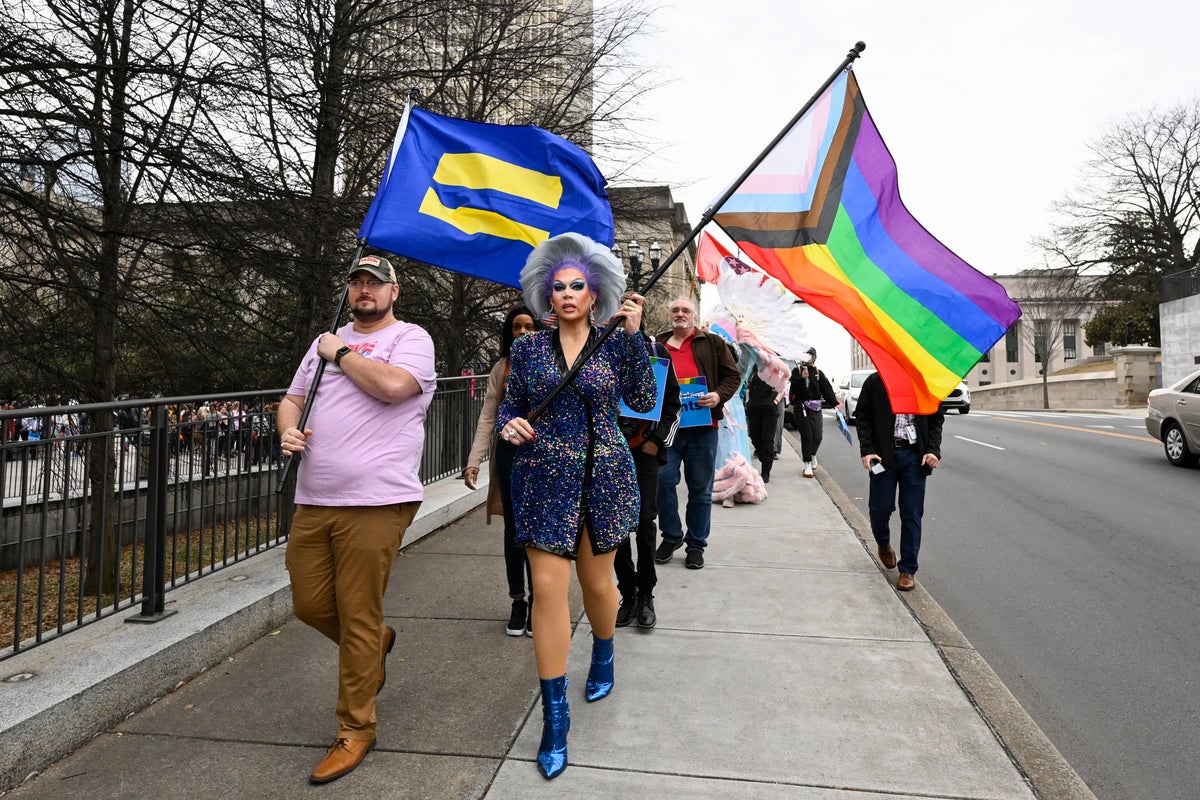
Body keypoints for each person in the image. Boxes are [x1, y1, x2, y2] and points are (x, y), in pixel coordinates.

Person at [497, 232, 656, 779]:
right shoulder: (527, 347)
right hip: (543, 478)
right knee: (547, 590)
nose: (567, 294)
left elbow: (642, 400)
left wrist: (636, 338)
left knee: (598, 587)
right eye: (558, 286)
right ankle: (555, 717)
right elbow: (511, 405)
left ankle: (605, 651)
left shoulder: (615, 343)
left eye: (577, 287)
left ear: (595, 296)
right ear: (547, 294)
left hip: (604, 476)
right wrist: (508, 425)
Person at [277, 254, 436, 784]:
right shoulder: (324, 341)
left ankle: (356, 728)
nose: (364, 290)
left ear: (395, 291)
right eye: (357, 282)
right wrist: (288, 429)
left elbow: (393, 387)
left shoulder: (411, 338)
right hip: (315, 495)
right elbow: (293, 398)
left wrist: (341, 352)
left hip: (376, 499)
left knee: (358, 612)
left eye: (375, 283)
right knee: (308, 603)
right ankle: (376, 645)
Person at [463, 304, 541, 636]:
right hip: (509, 456)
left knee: (538, 533)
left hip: (543, 459)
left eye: (529, 327)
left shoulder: (552, 364)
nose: (522, 332)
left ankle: (542, 601)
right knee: (514, 532)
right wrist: (474, 460)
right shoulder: (501, 368)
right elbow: (488, 415)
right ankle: (518, 602)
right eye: (516, 327)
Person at [653, 297, 740, 569]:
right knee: (662, 483)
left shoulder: (712, 343)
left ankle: (696, 544)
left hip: (702, 428)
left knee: (699, 490)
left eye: (685, 310)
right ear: (670, 315)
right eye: (675, 310)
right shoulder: (657, 344)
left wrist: (717, 395)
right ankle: (671, 535)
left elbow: (733, 377)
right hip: (668, 428)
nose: (680, 314)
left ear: (694, 315)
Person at [853, 371, 944, 592]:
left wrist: (933, 450)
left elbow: (935, 419)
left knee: (912, 513)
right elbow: (863, 417)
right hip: (882, 456)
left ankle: (908, 570)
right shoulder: (876, 381)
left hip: (914, 456)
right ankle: (883, 543)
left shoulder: (925, 381)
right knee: (879, 509)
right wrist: (867, 450)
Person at [615, 326, 680, 629]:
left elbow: (672, 405)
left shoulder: (657, 353)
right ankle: (627, 594)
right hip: (609, 451)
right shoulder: (601, 350)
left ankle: (646, 595)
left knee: (643, 522)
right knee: (615, 525)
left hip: (644, 450)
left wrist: (656, 443)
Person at [789, 346, 837, 478]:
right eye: (806, 356)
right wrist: (801, 378)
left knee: (817, 435)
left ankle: (812, 454)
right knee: (807, 435)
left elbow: (826, 390)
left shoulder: (818, 372)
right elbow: (793, 387)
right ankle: (807, 464)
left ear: (815, 358)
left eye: (811, 356)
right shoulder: (797, 371)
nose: (808, 358)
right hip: (801, 407)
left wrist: (835, 404)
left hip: (815, 407)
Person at [744, 365, 781, 483]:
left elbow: (782, 388)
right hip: (754, 408)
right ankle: (764, 456)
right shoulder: (753, 371)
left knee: (767, 440)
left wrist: (775, 401)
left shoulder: (775, 372)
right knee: (754, 436)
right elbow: (747, 387)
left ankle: (765, 471)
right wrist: (747, 402)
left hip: (769, 410)